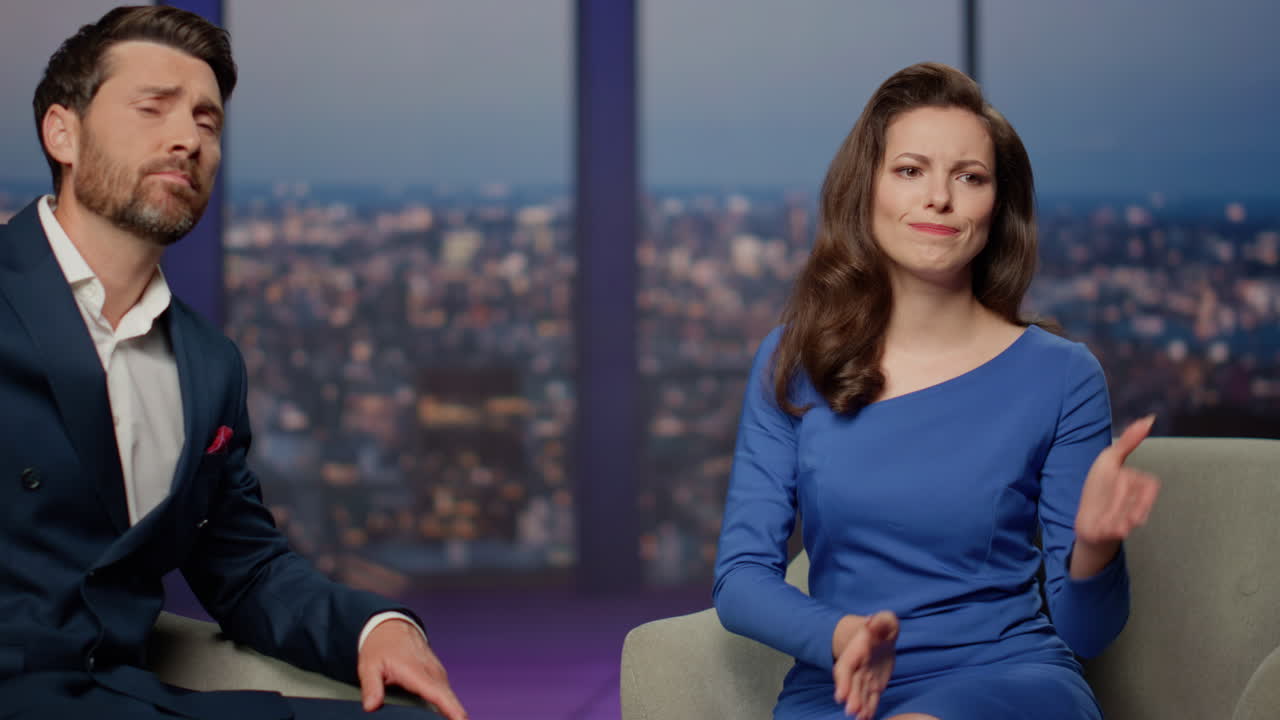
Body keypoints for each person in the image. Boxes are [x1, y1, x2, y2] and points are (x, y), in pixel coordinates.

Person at [0, 6, 466, 719]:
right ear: (62, 133)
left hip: (120, 694)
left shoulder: (207, 365)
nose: (187, 139)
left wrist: (378, 627)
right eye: (153, 108)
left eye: (207, 122)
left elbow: (245, 569)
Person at [712, 62, 1160, 720]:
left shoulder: (1063, 376)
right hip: (843, 687)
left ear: (997, 207)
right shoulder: (793, 361)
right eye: (910, 170)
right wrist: (841, 635)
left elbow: (1087, 634)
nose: (939, 198)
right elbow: (740, 580)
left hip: (1008, 682)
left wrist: (1095, 547)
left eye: (970, 177)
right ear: (865, 189)